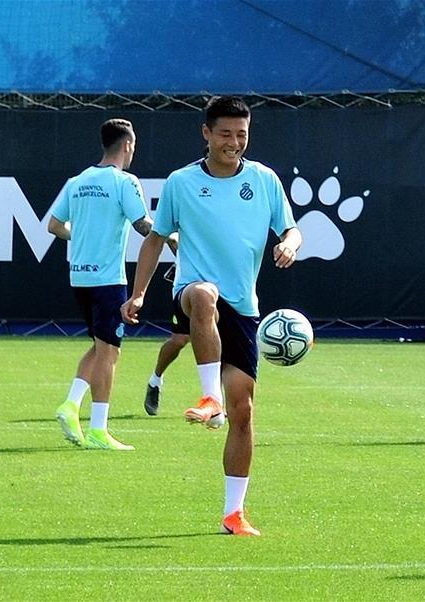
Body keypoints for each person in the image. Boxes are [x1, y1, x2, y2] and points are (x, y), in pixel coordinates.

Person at [121, 96, 302, 536]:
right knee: (203, 295)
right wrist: (138, 293)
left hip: (244, 308)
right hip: (194, 293)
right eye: (225, 134)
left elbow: (291, 227)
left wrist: (290, 245)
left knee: (244, 413)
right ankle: (208, 397)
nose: (234, 143)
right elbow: (155, 239)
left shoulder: (264, 180)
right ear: (206, 133)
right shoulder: (182, 183)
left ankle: (233, 513)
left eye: (242, 134)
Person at [49, 118, 151, 451]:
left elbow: (54, 225)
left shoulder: (77, 181)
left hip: (79, 276)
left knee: (98, 346)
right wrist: (172, 234)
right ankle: (98, 430)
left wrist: (80, 236)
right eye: (133, 145)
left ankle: (71, 403)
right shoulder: (124, 181)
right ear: (127, 145)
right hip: (108, 279)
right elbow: (143, 225)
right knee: (110, 352)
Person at [144, 263, 191, 416]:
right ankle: (155, 380)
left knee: (223, 341)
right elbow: (168, 240)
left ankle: (217, 399)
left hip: (222, 285)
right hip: (188, 285)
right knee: (180, 339)